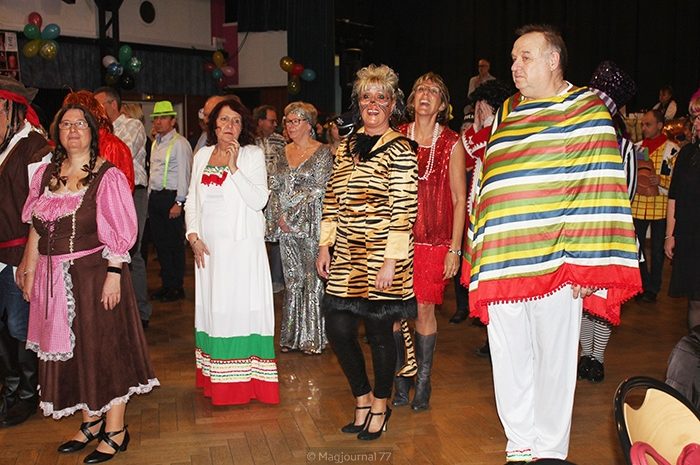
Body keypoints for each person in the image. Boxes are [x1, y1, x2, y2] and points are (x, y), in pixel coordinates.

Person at [465, 25, 641, 463]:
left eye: (525, 56)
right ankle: (519, 446)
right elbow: (491, 177)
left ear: (553, 60)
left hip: (560, 262)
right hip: (505, 258)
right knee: (508, 357)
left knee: (554, 360)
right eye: (513, 58)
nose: (515, 66)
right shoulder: (507, 110)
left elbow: (600, 186)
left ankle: (549, 451)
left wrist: (587, 264)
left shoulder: (585, 109)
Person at [17, 103, 159, 462]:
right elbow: (36, 225)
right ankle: (90, 421)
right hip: (53, 279)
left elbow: (122, 232)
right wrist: (28, 265)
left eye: (80, 123)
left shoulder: (105, 175)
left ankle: (116, 429)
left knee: (104, 351)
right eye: (65, 124)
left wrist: (114, 275)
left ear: (92, 132)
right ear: (58, 132)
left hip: (94, 275)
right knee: (76, 354)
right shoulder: (47, 173)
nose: (73, 129)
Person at [316, 64, 418, 440]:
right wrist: (325, 244)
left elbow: (405, 208)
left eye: (380, 97)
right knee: (339, 329)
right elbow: (331, 199)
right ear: (358, 102)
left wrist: (392, 260)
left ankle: (381, 402)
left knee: (378, 333)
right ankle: (361, 397)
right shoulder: (345, 146)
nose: (372, 103)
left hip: (383, 258)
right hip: (344, 258)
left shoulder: (403, 149)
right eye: (365, 97)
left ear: (392, 104)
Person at [185, 99, 279, 405]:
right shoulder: (201, 155)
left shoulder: (251, 154)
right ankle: (216, 377)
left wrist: (233, 167)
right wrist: (193, 235)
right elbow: (191, 199)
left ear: (244, 126)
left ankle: (244, 382)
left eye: (236, 121)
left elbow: (258, 201)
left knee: (237, 311)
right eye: (224, 120)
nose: (229, 127)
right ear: (214, 124)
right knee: (215, 310)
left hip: (241, 251)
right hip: (209, 252)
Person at [393, 72, 466, 411]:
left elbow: (458, 197)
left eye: (433, 91)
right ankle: (401, 374)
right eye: (420, 88)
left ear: (442, 104)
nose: (425, 94)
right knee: (393, 310)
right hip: (396, 240)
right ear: (411, 99)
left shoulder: (452, 142)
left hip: (434, 241)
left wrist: (455, 248)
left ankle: (423, 380)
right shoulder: (395, 137)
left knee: (423, 308)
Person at [578, 61, 639, 383]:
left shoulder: (624, 147)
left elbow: (625, 195)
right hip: (575, 236)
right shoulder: (572, 141)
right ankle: (583, 355)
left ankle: (595, 357)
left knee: (601, 301)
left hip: (608, 236)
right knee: (580, 302)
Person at [0, 76, 51, 428]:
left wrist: (30, 261)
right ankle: (10, 388)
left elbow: (42, 208)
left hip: (19, 253)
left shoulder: (35, 148)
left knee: (19, 326)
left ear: (11, 107)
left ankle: (28, 392)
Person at [454, 79, 514, 358]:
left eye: (480, 106)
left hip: (493, 221)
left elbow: (470, 146)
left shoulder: (496, 130)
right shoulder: (491, 129)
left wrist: (480, 124)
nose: (476, 111)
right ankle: (494, 339)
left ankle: (499, 341)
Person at [267, 102, 333, 354]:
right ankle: (292, 336)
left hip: (312, 223)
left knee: (312, 278)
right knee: (292, 280)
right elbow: (274, 185)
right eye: (288, 121)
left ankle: (313, 337)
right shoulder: (282, 152)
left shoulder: (323, 152)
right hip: (286, 225)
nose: (291, 126)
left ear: (309, 124)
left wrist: (291, 214)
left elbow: (320, 189)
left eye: (296, 121)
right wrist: (277, 218)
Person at [94, 86, 152, 329]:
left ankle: (140, 312)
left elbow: (118, 157)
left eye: (99, 105)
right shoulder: (98, 131)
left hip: (132, 192)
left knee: (132, 251)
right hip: (105, 193)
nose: (95, 111)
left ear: (112, 104)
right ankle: (117, 309)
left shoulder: (132, 126)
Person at [632, 109, 679, 303]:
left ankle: (653, 288)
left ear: (660, 125)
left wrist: (661, 180)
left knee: (658, 252)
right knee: (637, 249)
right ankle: (641, 285)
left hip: (660, 207)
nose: (643, 128)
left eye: (648, 124)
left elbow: (678, 182)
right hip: (637, 207)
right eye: (642, 124)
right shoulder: (635, 148)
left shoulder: (672, 150)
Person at [148, 101, 192, 302]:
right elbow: (153, 172)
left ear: (173, 120)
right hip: (156, 197)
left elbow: (184, 174)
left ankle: (177, 286)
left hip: (172, 197)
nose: (159, 121)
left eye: (164, 117)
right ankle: (167, 284)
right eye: (156, 118)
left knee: (174, 244)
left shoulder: (180, 143)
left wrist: (179, 202)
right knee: (161, 244)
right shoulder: (156, 142)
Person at [664, 89, 700, 331]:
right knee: (695, 302)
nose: (696, 121)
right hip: (689, 237)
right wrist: (669, 235)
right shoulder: (687, 153)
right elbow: (673, 196)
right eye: (694, 116)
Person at [62, 91, 134, 192]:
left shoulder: (111, 145)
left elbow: (119, 193)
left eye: (78, 121)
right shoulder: (74, 144)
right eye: (67, 122)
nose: (72, 128)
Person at [253, 104, 287, 294]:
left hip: (275, 196)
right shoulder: (249, 142)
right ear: (260, 121)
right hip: (253, 198)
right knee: (256, 236)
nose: (275, 124)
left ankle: (275, 280)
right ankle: (257, 278)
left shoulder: (280, 141)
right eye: (271, 120)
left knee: (275, 239)